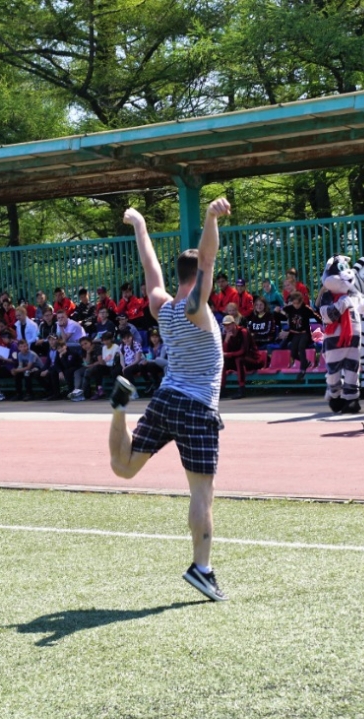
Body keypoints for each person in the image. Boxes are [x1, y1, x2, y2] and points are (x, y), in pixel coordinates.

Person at [108, 198, 231, 602]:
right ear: (197, 279)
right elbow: (209, 262)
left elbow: (150, 270)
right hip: (197, 408)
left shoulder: (164, 308)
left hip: (166, 399)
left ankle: (119, 409)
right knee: (201, 493)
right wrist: (211, 217)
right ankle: (202, 568)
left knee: (125, 467)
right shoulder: (197, 309)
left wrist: (140, 225)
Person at [221, 315, 263, 399]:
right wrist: (226, 341)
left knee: (239, 359)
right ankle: (222, 390)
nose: (227, 327)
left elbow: (244, 351)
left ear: (234, 324)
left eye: (229, 324)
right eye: (225, 325)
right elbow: (224, 352)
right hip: (238, 360)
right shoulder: (226, 335)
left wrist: (229, 354)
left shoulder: (243, 332)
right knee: (222, 361)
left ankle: (242, 389)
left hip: (253, 360)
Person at [281, 291, 319, 381]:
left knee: (301, 347)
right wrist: (279, 310)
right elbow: (282, 312)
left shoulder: (306, 309)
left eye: (297, 303)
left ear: (301, 302)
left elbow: (316, 316)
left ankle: (302, 370)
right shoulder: (289, 308)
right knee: (293, 353)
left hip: (304, 333)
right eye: (294, 303)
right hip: (295, 333)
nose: (296, 305)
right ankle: (306, 362)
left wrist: (324, 322)